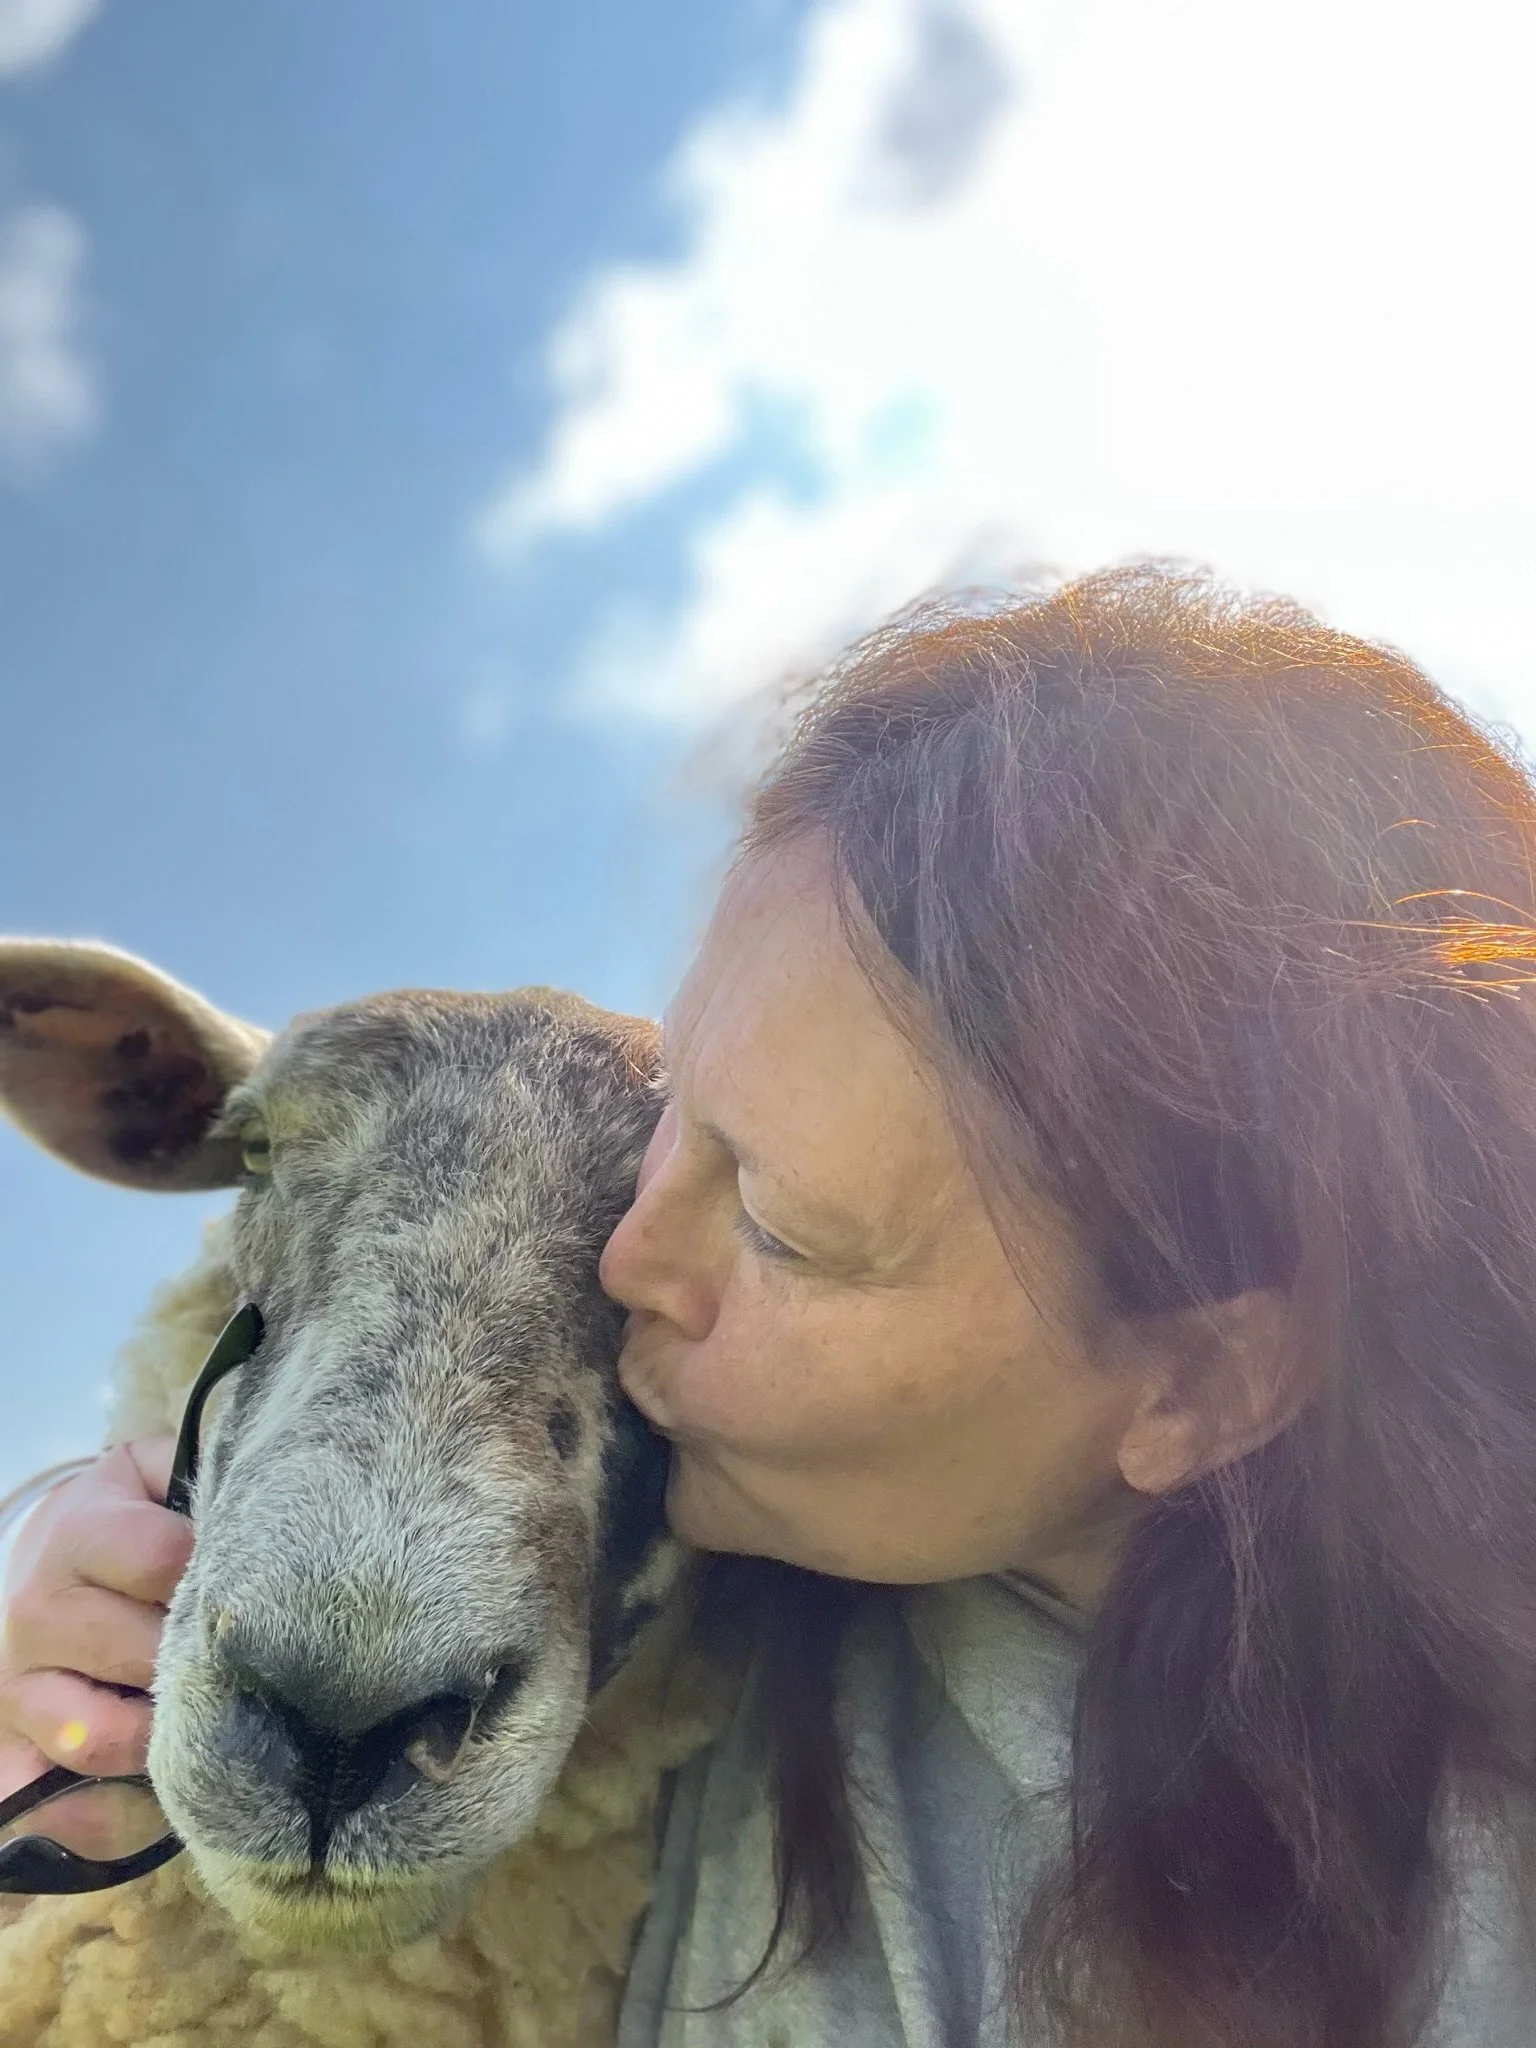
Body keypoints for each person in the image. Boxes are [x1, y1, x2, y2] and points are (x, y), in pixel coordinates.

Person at [4, 562, 1536, 2046]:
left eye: (786, 1225)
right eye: (685, 1130)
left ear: (1197, 1383)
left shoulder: (1462, 1895)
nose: (622, 1270)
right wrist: (70, 1572)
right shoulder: (717, 1603)